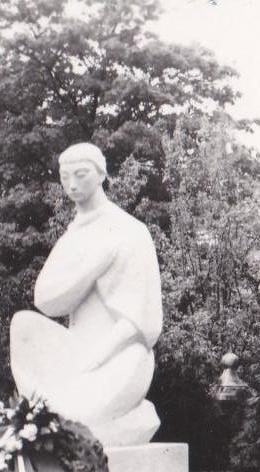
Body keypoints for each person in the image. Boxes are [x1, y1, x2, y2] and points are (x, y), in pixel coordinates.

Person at [10, 142, 162, 446]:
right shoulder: (75, 234)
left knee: (78, 417)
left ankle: (61, 421)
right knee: (23, 325)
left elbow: (144, 321)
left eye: (81, 174)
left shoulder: (130, 230)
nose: (72, 184)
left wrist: (99, 354)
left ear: (101, 174)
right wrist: (93, 267)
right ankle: (50, 418)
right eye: (65, 177)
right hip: (76, 352)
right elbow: (46, 300)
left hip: (122, 354)